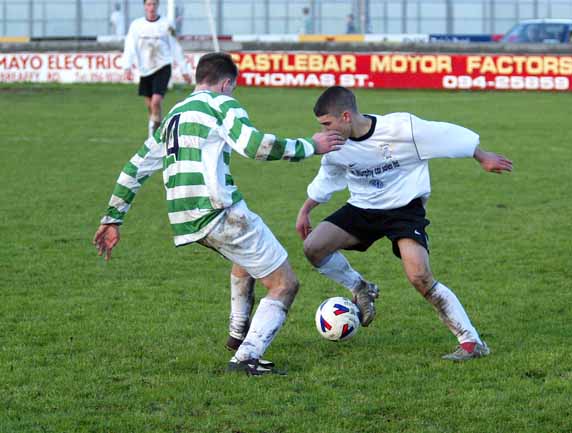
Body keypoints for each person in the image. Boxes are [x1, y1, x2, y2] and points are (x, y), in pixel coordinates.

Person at [93, 53, 345, 376]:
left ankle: (238, 334)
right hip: (217, 211)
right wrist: (311, 145)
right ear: (226, 83)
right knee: (285, 283)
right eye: (233, 88)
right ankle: (247, 358)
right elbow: (256, 146)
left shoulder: (175, 114)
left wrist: (113, 218)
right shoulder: (223, 105)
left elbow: (135, 167)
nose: (233, 94)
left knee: (249, 258)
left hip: (185, 217)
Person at [295, 86, 513, 361]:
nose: (325, 132)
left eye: (328, 124)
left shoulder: (401, 128)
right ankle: (360, 287)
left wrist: (482, 156)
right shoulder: (335, 146)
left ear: (346, 116)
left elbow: (444, 134)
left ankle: (471, 342)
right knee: (314, 248)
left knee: (419, 276)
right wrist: (305, 210)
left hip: (404, 210)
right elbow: (327, 178)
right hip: (363, 208)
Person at [123, 0, 192, 139]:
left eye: (154, 4)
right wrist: (127, 66)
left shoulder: (166, 24)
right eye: (148, 4)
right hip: (145, 69)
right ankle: (159, 129)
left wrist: (184, 69)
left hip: (163, 66)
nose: (151, 7)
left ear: (158, 5)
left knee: (156, 102)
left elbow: (175, 46)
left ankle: (152, 138)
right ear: (144, 6)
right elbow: (129, 46)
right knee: (150, 105)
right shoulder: (137, 25)